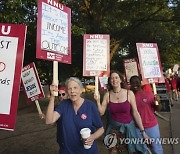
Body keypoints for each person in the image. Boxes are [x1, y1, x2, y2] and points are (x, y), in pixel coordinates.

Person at [45, 77, 104, 154]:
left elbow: (101, 129)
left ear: (81, 90)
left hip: (87, 151)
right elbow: (49, 121)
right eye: (69, 89)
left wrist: (92, 137)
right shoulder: (63, 105)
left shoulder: (90, 106)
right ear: (67, 92)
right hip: (67, 151)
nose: (72, 91)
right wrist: (52, 96)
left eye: (75, 88)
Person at [94, 70, 148, 154]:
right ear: (109, 81)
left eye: (116, 78)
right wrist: (97, 101)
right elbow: (101, 112)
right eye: (112, 78)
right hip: (113, 131)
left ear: (120, 80)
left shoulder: (129, 93)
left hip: (129, 130)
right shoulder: (107, 95)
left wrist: (143, 131)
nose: (114, 80)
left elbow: (135, 113)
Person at [130, 75, 163, 154]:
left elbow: (158, 109)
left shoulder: (149, 93)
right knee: (142, 151)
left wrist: (158, 102)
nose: (135, 85)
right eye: (132, 83)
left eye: (137, 82)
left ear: (141, 83)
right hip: (137, 128)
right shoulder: (130, 96)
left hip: (152, 127)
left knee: (156, 149)